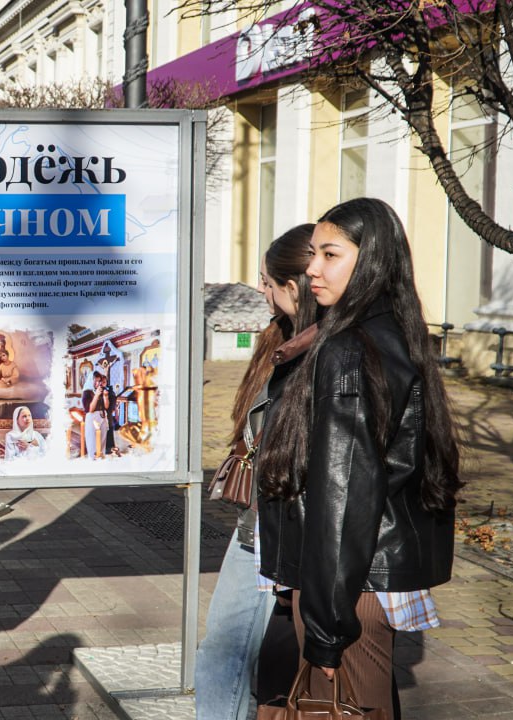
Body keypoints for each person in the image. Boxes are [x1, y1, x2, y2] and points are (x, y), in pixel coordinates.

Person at [258, 198, 462, 717]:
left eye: (330, 255)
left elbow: (343, 493)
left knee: (352, 707)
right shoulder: (392, 331)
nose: (312, 268)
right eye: (313, 254)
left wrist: (326, 627)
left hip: (348, 586)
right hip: (361, 577)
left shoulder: (349, 348)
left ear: (371, 260)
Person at [194, 224, 316, 720]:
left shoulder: (326, 351)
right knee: (226, 653)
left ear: (295, 286)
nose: (261, 292)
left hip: (289, 528)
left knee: (235, 654)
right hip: (261, 522)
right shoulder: (281, 338)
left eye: (267, 282)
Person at [81, 371, 115, 458]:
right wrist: (96, 395)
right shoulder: (86, 392)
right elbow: (90, 409)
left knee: (102, 442)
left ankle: (101, 459)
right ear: (91, 380)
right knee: (92, 442)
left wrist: (105, 397)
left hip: (102, 417)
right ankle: (93, 460)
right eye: (95, 381)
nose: (98, 383)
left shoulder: (101, 390)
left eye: (99, 381)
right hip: (92, 418)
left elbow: (106, 407)